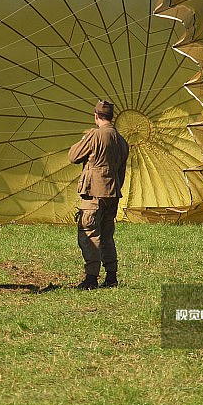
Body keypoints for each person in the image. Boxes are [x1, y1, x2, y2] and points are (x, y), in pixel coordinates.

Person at [68, 100, 130, 290]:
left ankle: (91, 278)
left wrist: (84, 140)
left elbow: (73, 156)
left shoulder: (95, 136)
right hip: (112, 193)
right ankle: (111, 275)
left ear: (96, 116)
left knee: (89, 234)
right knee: (107, 236)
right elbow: (121, 171)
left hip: (94, 193)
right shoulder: (121, 140)